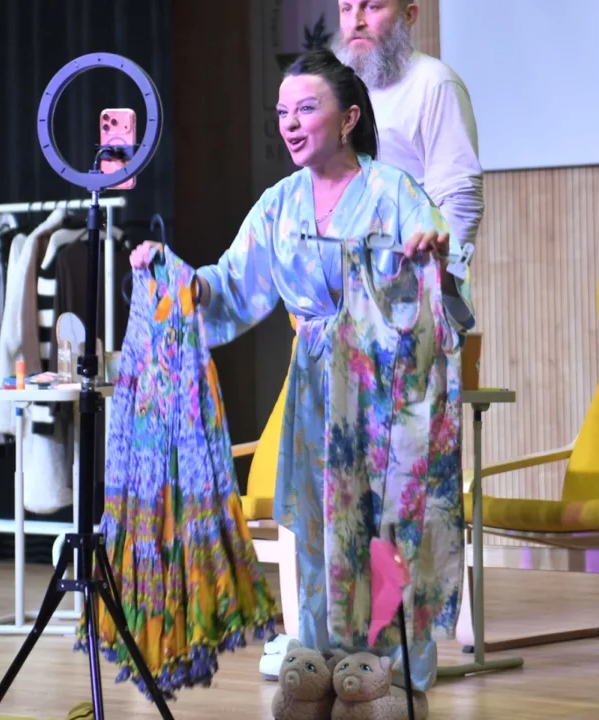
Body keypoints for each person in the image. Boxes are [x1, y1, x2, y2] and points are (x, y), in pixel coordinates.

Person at [130, 49, 472, 706]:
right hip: (316, 381)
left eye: (306, 108)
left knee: (386, 525)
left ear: (348, 118)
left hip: (385, 384)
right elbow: (231, 285)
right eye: (283, 111)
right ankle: (320, 656)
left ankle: (394, 665)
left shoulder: (393, 191)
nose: (290, 123)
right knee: (314, 524)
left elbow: (438, 262)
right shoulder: (278, 204)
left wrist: (431, 256)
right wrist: (176, 278)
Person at [333, 0, 483, 324]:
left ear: (409, 15)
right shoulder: (332, 94)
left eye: (372, 7)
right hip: (342, 304)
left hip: (412, 305)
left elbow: (459, 199)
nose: (356, 21)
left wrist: (436, 285)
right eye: (346, 8)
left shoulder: (434, 82)